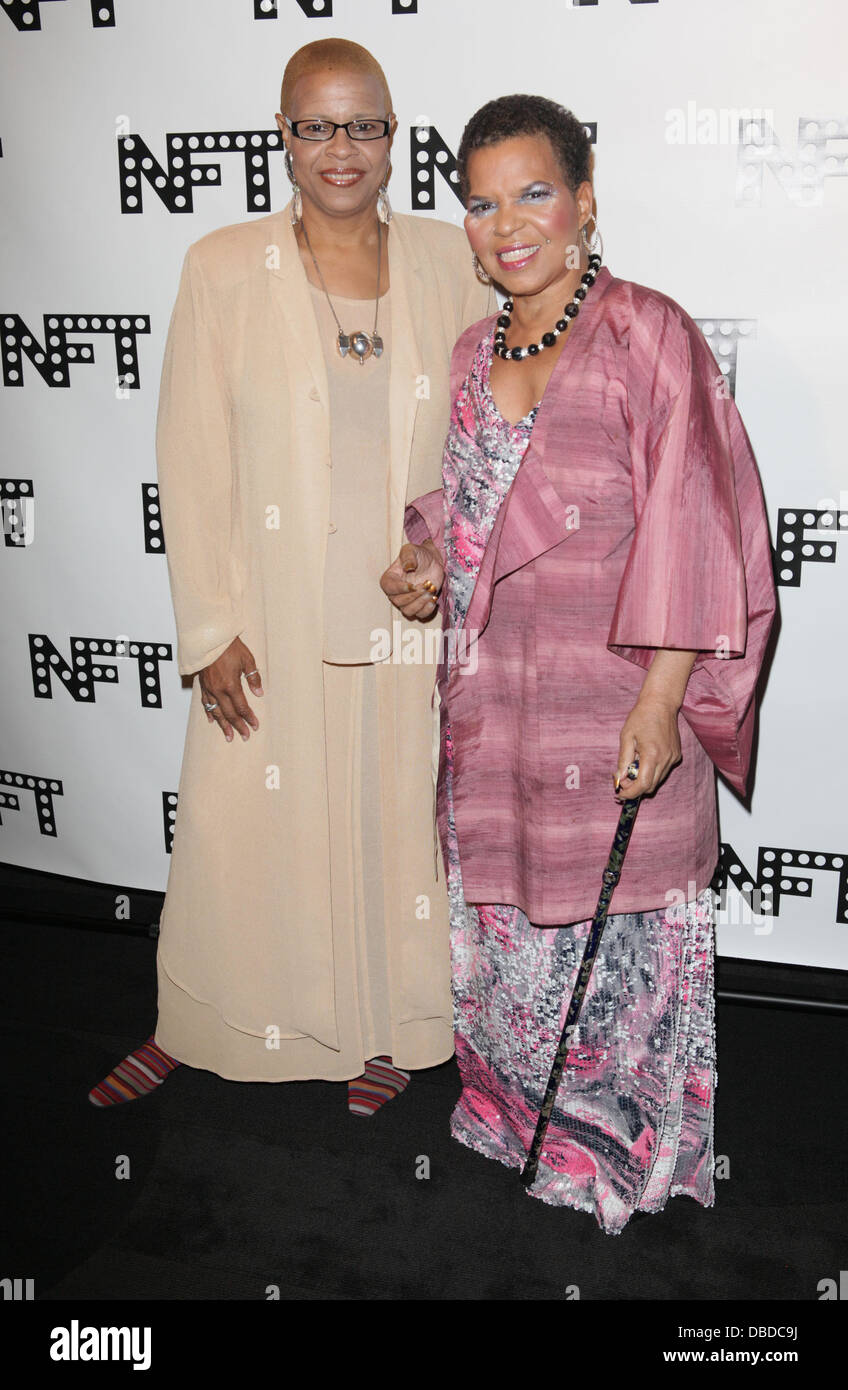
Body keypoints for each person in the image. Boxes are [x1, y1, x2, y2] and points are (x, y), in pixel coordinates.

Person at [382, 94, 777, 1232]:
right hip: (497, 704)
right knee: (508, 933)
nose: (506, 223)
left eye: (533, 192)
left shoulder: (649, 332)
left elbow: (694, 517)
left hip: (610, 703)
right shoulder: (470, 351)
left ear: (585, 200)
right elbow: (461, 512)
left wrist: (662, 698)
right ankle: (516, 1116)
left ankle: (619, 1147)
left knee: (619, 946)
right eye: (481, 201)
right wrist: (419, 565)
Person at [88, 39, 491, 1115]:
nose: (340, 149)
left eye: (363, 125)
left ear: (394, 135)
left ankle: (386, 1028)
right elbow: (191, 454)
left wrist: (440, 554)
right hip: (265, 609)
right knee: (240, 829)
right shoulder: (222, 265)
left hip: (400, 616)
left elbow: (486, 434)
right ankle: (205, 1019)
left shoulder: (451, 260)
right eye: (315, 125)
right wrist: (209, 624)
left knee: (388, 822)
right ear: (282, 135)